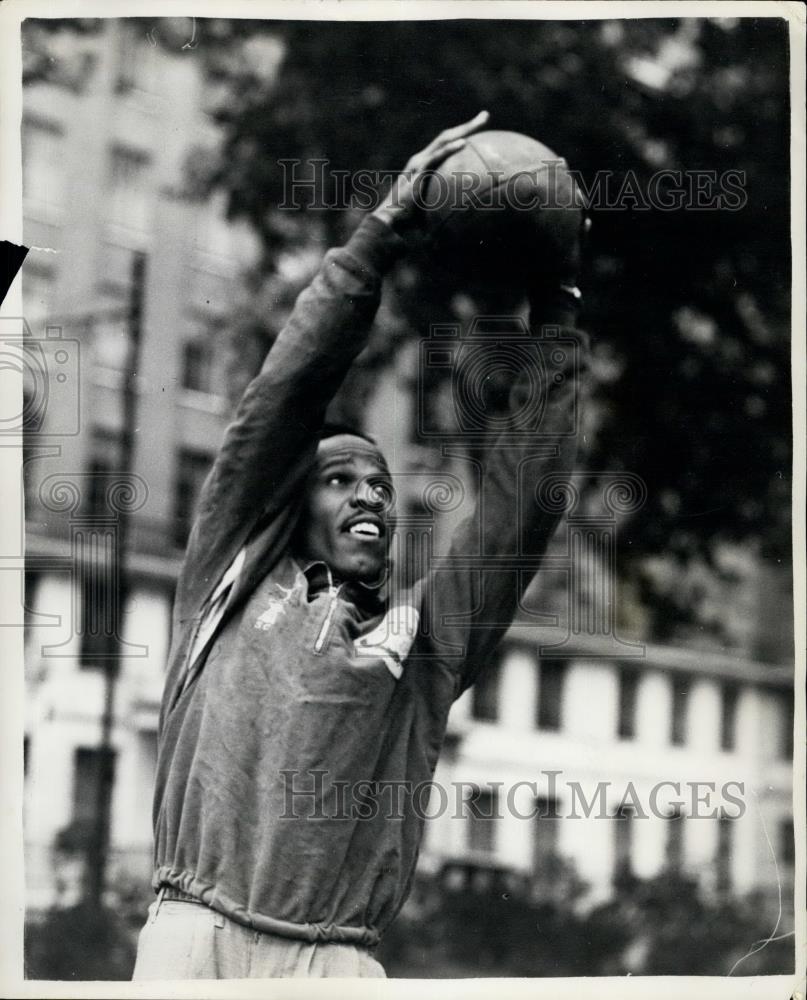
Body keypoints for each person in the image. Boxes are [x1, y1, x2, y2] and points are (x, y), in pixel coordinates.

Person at [132, 112, 589, 979]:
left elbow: (522, 507)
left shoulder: (425, 644)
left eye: (379, 482)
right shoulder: (228, 576)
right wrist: (380, 233)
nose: (369, 492)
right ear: (291, 504)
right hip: (196, 938)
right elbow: (281, 398)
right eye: (340, 478)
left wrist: (558, 306)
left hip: (335, 963)